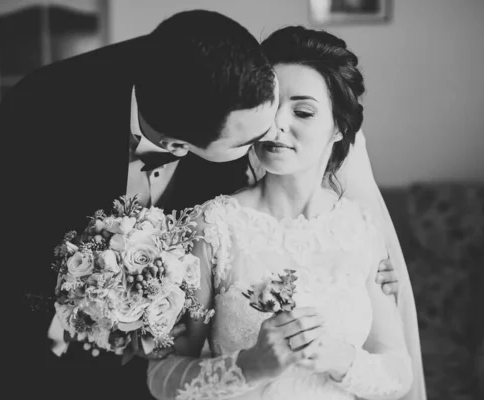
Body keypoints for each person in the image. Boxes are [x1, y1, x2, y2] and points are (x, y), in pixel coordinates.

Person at [0, 9, 400, 400]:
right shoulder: (39, 116)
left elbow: (396, 371)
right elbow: (1, 261)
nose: (273, 131)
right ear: (182, 146)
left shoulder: (229, 76)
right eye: (249, 142)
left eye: (300, 110)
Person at [147, 26, 426, 400]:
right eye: (271, 106)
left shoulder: (359, 229)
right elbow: (161, 376)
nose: (278, 125)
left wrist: (344, 359)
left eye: (304, 111)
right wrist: (248, 367)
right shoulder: (214, 226)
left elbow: (399, 374)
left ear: (340, 128)